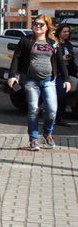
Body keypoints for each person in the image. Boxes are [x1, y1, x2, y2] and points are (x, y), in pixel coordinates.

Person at [7, 15, 70, 151]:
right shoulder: (26, 40)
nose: (37, 26)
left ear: (47, 26)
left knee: (52, 110)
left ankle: (47, 133)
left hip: (49, 81)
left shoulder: (53, 43)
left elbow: (60, 62)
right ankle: (34, 139)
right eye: (36, 24)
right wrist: (13, 75)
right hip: (31, 81)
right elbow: (16, 58)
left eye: (41, 24)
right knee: (34, 110)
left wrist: (66, 79)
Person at [56, 23, 78, 126]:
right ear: (59, 32)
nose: (66, 33)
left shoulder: (68, 44)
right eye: (64, 31)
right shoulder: (54, 43)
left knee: (63, 96)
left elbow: (72, 62)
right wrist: (61, 59)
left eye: (68, 32)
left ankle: (59, 118)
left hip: (66, 73)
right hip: (55, 72)